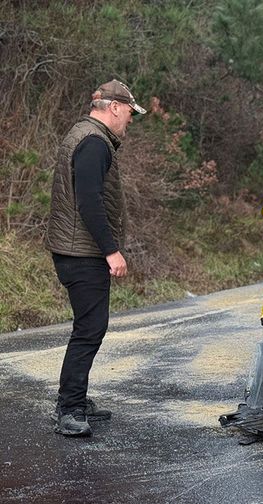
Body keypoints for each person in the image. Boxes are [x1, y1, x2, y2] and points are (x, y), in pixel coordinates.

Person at [45, 79, 146, 436]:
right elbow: (88, 200)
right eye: (130, 113)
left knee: (88, 328)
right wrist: (111, 250)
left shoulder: (83, 133)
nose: (130, 120)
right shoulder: (94, 142)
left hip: (73, 250)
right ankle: (69, 409)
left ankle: (75, 398)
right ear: (115, 107)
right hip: (82, 253)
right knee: (89, 330)